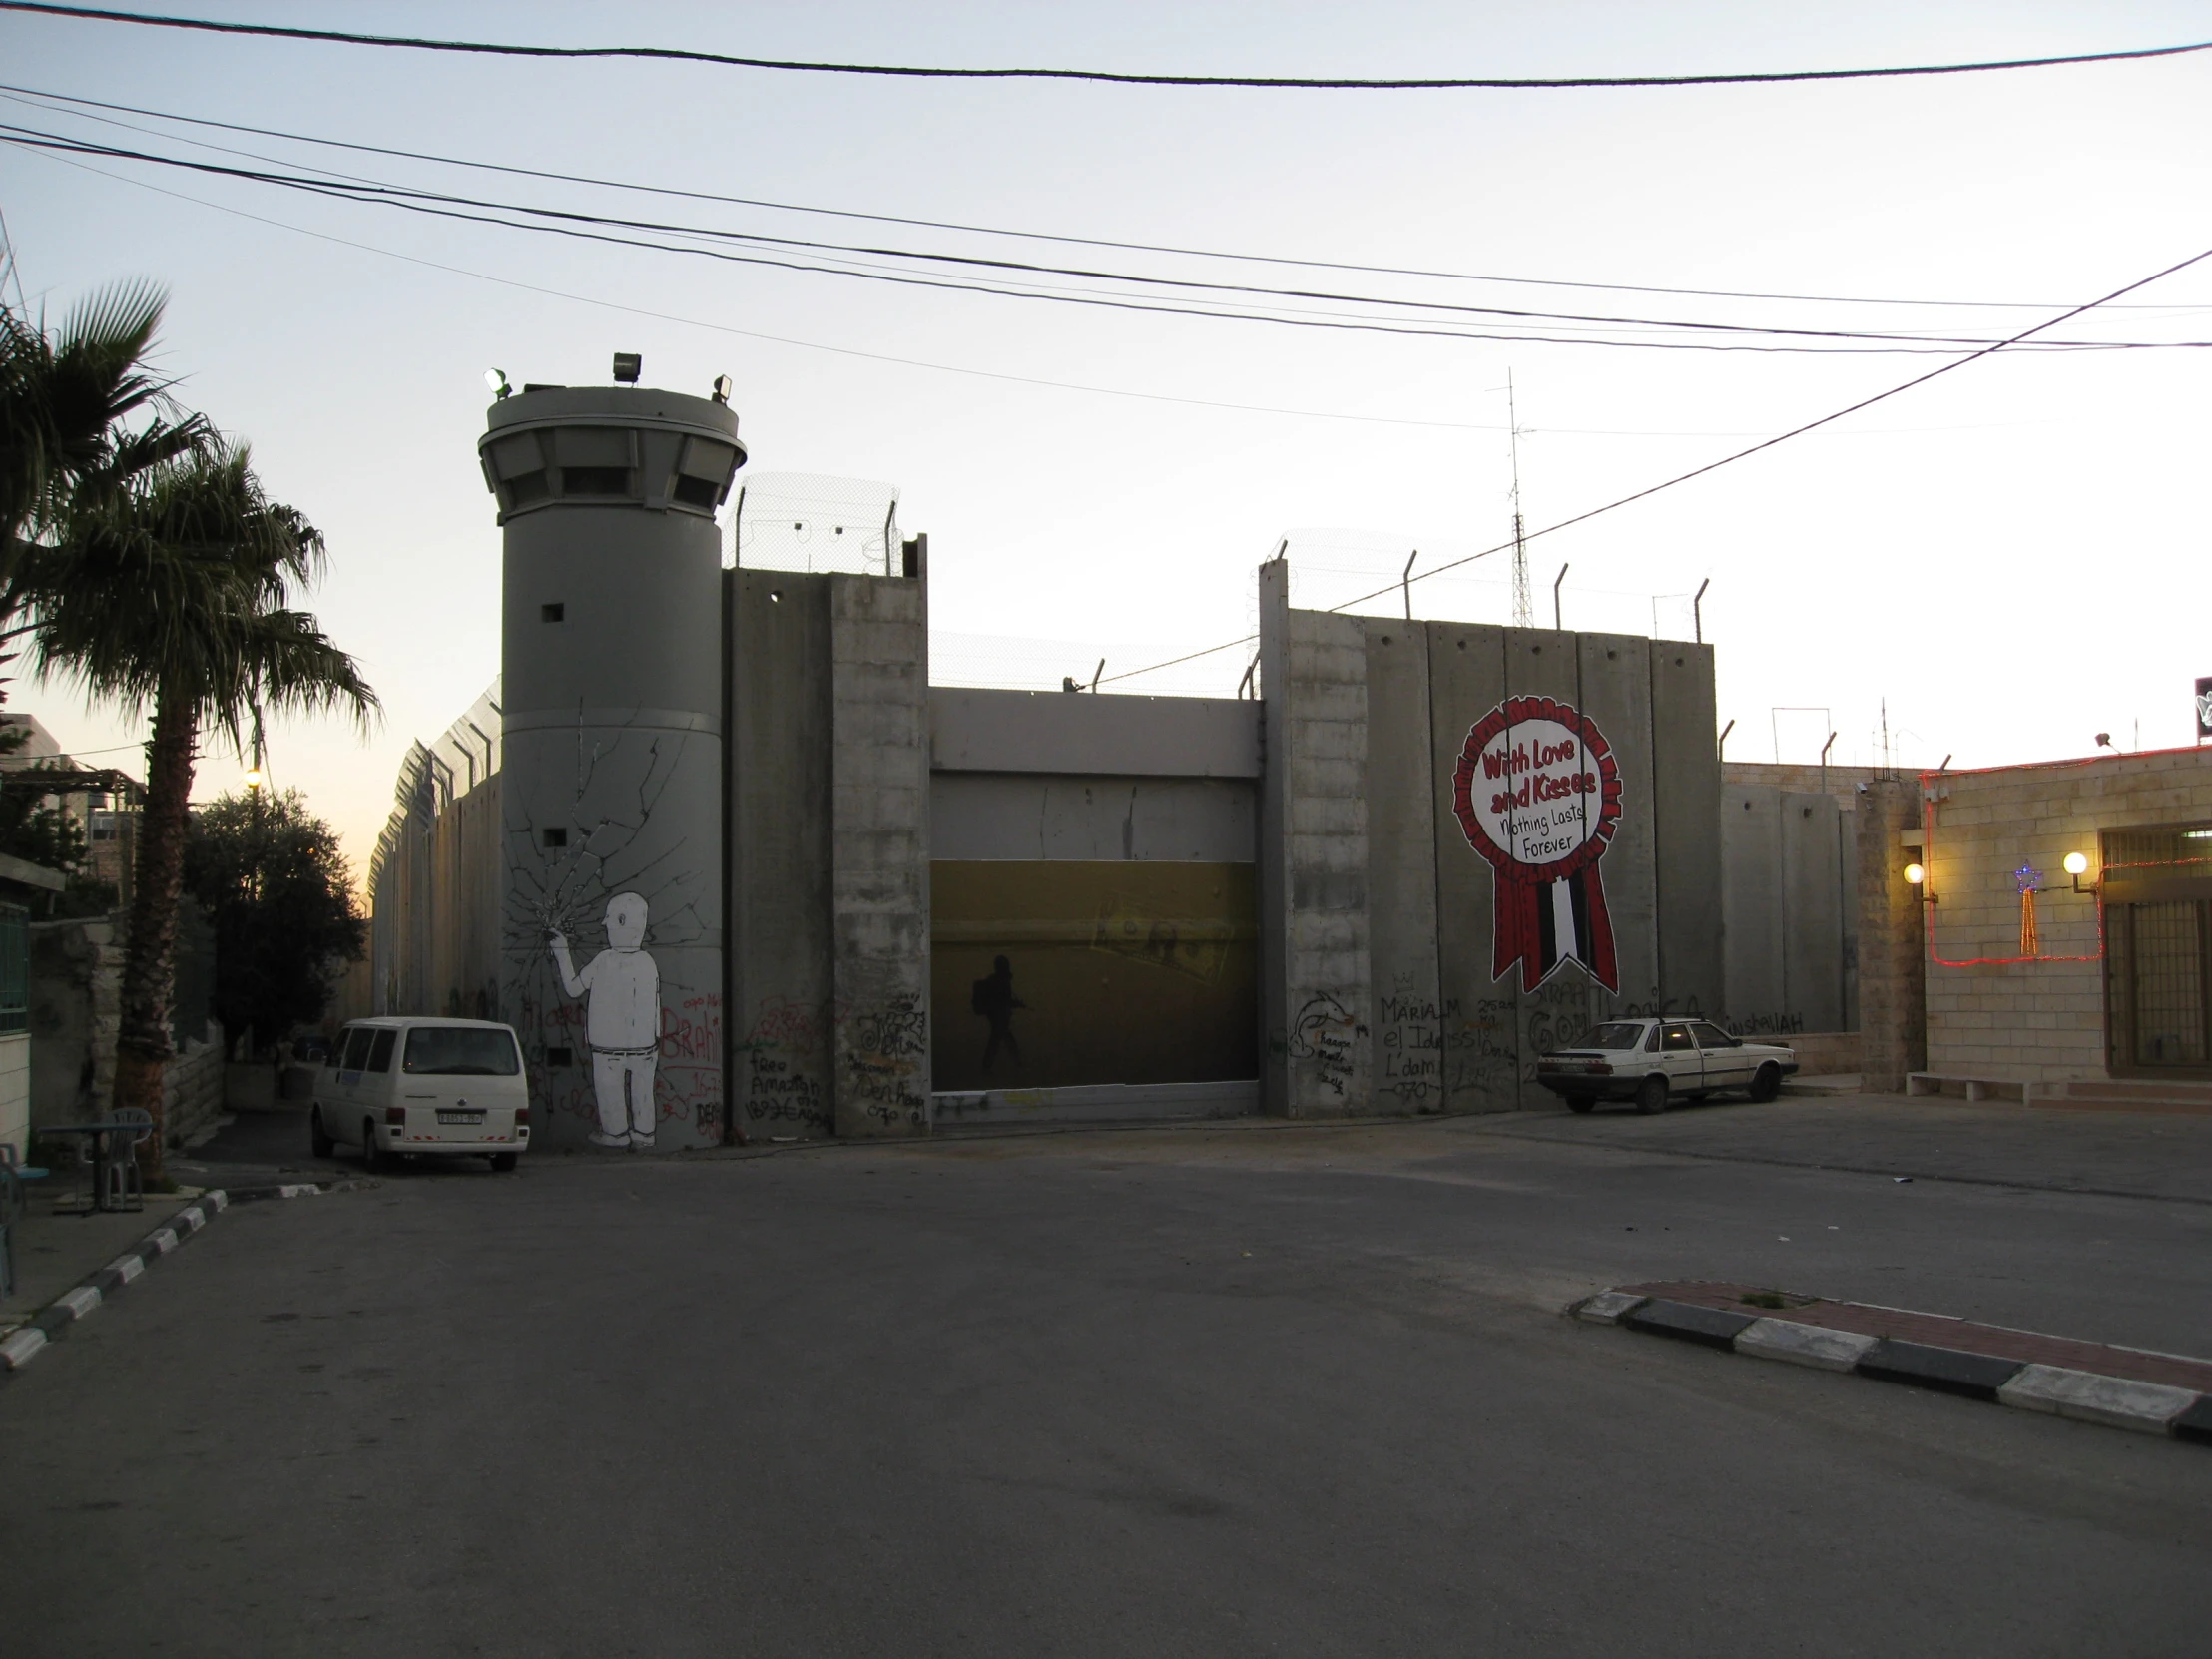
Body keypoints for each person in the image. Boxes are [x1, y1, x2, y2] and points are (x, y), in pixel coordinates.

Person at [551, 892, 660, 1149]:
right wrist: (655, 1035)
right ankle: (644, 1133)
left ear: (619, 922)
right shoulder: (648, 962)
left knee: (609, 1089)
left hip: (607, 1046)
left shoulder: (604, 961)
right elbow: (654, 1005)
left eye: (610, 922)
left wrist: (561, 953)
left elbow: (574, 989)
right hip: (645, 1044)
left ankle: (615, 1133)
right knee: (643, 1091)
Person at [971, 953, 1026, 1073]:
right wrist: (1016, 1004)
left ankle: (990, 1066)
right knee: (1000, 1039)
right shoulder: (1002, 981)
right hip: (999, 1015)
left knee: (1000, 1039)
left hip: (996, 1015)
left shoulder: (995, 980)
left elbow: (1003, 1000)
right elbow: (1004, 1000)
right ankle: (1014, 1064)